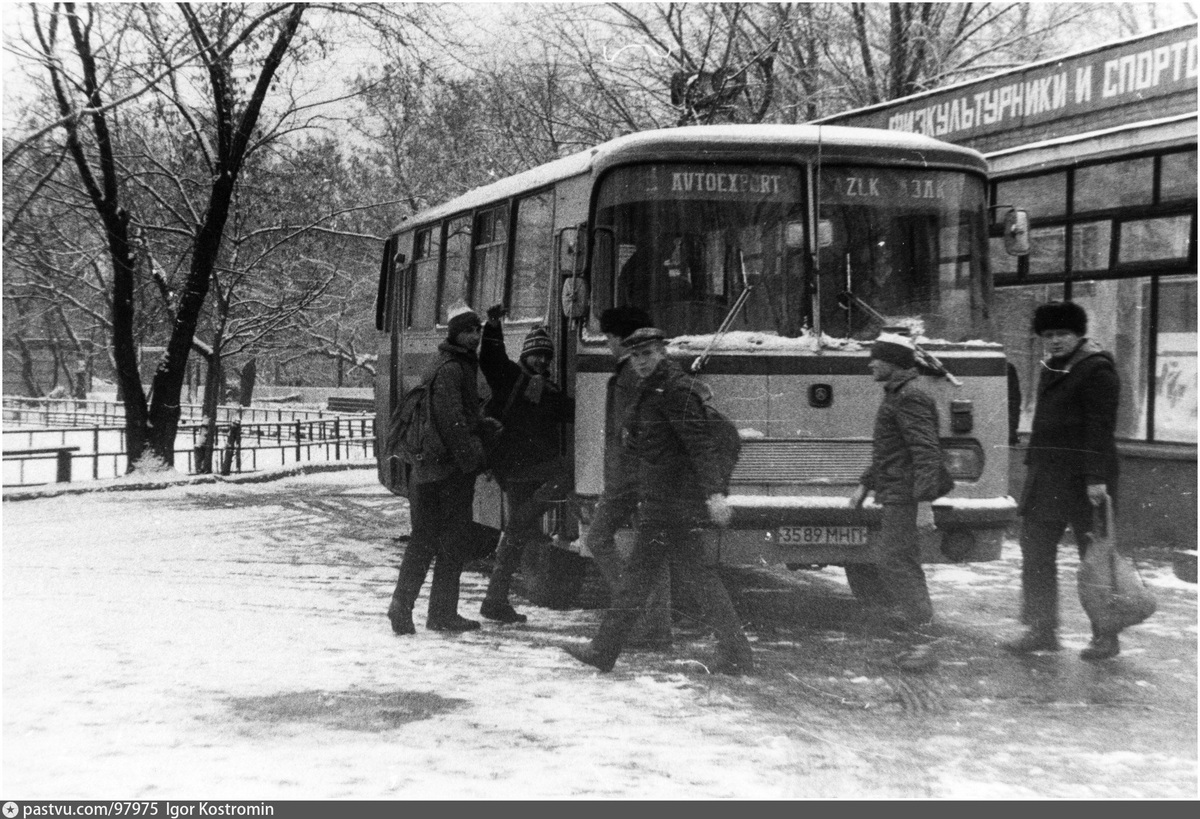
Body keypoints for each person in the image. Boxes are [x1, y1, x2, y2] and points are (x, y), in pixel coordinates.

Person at [564, 327, 753, 675]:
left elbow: (700, 447)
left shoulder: (675, 392)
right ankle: (736, 651)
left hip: (673, 505)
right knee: (692, 578)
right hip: (662, 502)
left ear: (662, 352)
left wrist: (715, 495)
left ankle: (604, 651)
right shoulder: (650, 390)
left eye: (648, 354)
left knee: (643, 580)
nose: (641, 361)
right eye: (635, 355)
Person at [1002, 301, 1121, 661]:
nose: (1053, 341)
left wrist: (1096, 478)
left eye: (1062, 334)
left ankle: (1106, 636)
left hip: (1086, 480)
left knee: (1095, 561)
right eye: (1047, 335)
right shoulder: (1053, 367)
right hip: (1048, 477)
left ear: (1079, 334)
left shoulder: (1097, 370)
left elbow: (1100, 428)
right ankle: (1042, 629)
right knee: (1035, 551)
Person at [849, 331, 950, 673]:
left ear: (893, 363)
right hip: (898, 491)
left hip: (906, 495)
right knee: (898, 562)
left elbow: (926, 452)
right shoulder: (898, 394)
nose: (871, 363)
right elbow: (891, 450)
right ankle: (920, 642)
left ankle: (924, 644)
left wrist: (924, 503)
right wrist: (865, 485)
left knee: (897, 563)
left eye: (877, 357)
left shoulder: (909, 397)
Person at [386, 309, 490, 635]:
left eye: (478, 330)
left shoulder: (441, 364)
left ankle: (402, 606)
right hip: (446, 472)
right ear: (455, 334)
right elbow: (452, 422)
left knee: (423, 540)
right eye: (469, 331)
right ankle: (441, 614)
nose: (475, 336)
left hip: (424, 469)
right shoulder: (453, 369)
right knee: (450, 542)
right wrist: (472, 460)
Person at [477, 304, 576, 625]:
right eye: (537, 355)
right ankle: (495, 598)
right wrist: (493, 326)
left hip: (528, 468)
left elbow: (570, 410)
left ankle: (495, 600)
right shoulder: (512, 377)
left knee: (516, 532)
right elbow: (491, 358)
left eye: (547, 357)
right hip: (516, 467)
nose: (543, 361)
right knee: (566, 474)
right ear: (526, 354)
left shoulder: (548, 389)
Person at [585, 306, 673, 648]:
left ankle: (634, 613)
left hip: (628, 478)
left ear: (621, 339)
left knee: (598, 539)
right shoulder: (638, 374)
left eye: (608, 337)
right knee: (652, 552)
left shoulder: (629, 376)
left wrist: (624, 477)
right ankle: (656, 625)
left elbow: (629, 432)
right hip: (640, 477)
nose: (607, 344)